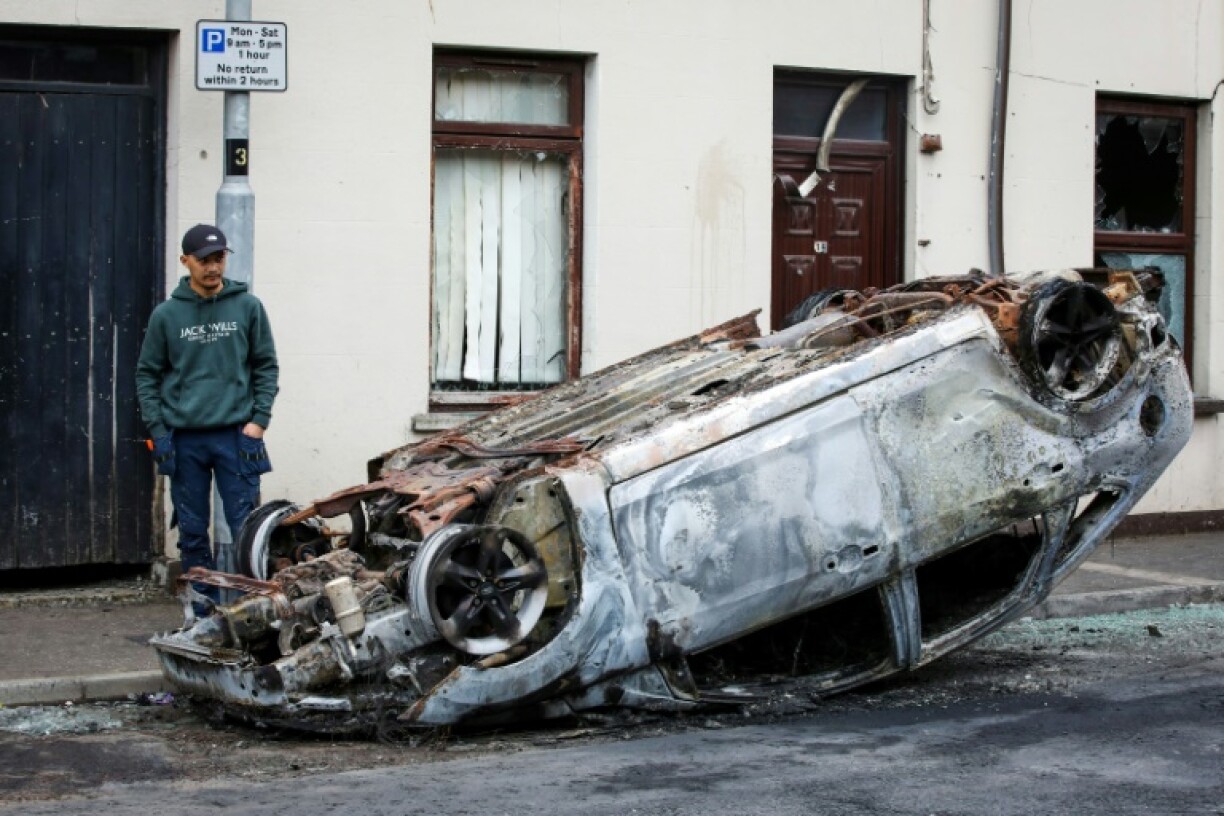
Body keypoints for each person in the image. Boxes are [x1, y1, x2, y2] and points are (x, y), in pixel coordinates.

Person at [136, 224, 279, 613]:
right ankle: (203, 617)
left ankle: (257, 615)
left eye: (219, 258)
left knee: (249, 530)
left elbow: (266, 366)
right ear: (186, 262)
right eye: (204, 260)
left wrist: (258, 421)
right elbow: (147, 375)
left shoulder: (248, 307)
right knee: (193, 533)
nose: (213, 267)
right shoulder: (167, 315)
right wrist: (159, 429)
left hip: (237, 437)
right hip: (185, 441)